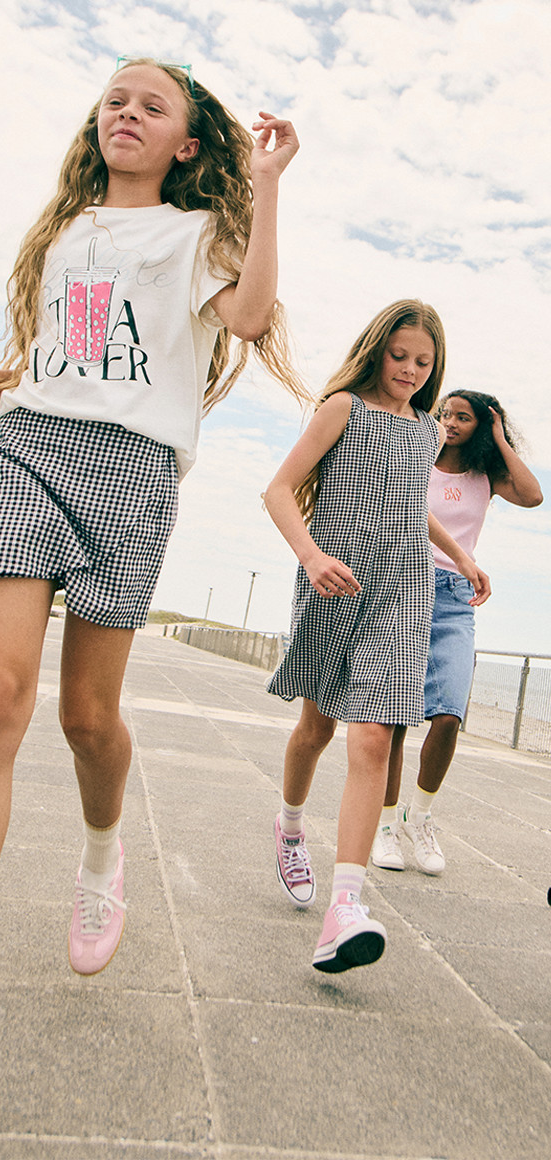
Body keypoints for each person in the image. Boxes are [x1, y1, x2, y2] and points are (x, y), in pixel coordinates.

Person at [0, 58, 308, 1094]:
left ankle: (103, 858)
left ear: (187, 144)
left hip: (132, 472)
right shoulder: (61, 236)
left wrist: (268, 186)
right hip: (26, 450)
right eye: (114, 101)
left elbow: (243, 320)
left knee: (85, 717)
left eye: (152, 106)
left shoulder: (197, 237)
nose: (125, 113)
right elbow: (53, 368)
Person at [264, 300, 490, 973]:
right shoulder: (341, 408)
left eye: (424, 363)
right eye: (401, 357)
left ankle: (347, 906)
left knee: (376, 736)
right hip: (336, 579)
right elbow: (279, 489)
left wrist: (464, 557)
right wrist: (310, 556)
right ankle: (291, 826)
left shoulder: (425, 430)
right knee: (318, 727)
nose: (411, 372)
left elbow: (408, 508)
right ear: (377, 350)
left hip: (404, 590)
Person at [373, 392, 542, 874]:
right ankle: (385, 824)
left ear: (482, 427)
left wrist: (499, 440)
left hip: (455, 600)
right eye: (445, 413)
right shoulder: (416, 456)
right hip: (404, 586)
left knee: (448, 714)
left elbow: (533, 495)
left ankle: (419, 816)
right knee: (396, 717)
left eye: (462, 418)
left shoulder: (485, 477)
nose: (449, 422)